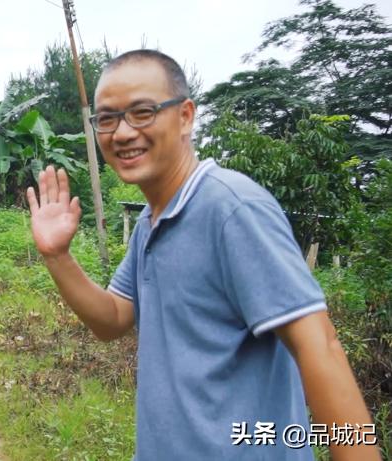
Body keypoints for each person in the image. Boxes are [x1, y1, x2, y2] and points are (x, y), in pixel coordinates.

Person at [26, 49, 379, 460]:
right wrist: (57, 256)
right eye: (107, 118)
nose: (122, 133)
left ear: (186, 116)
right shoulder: (151, 221)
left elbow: (319, 345)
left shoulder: (232, 208)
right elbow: (114, 319)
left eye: (142, 112)